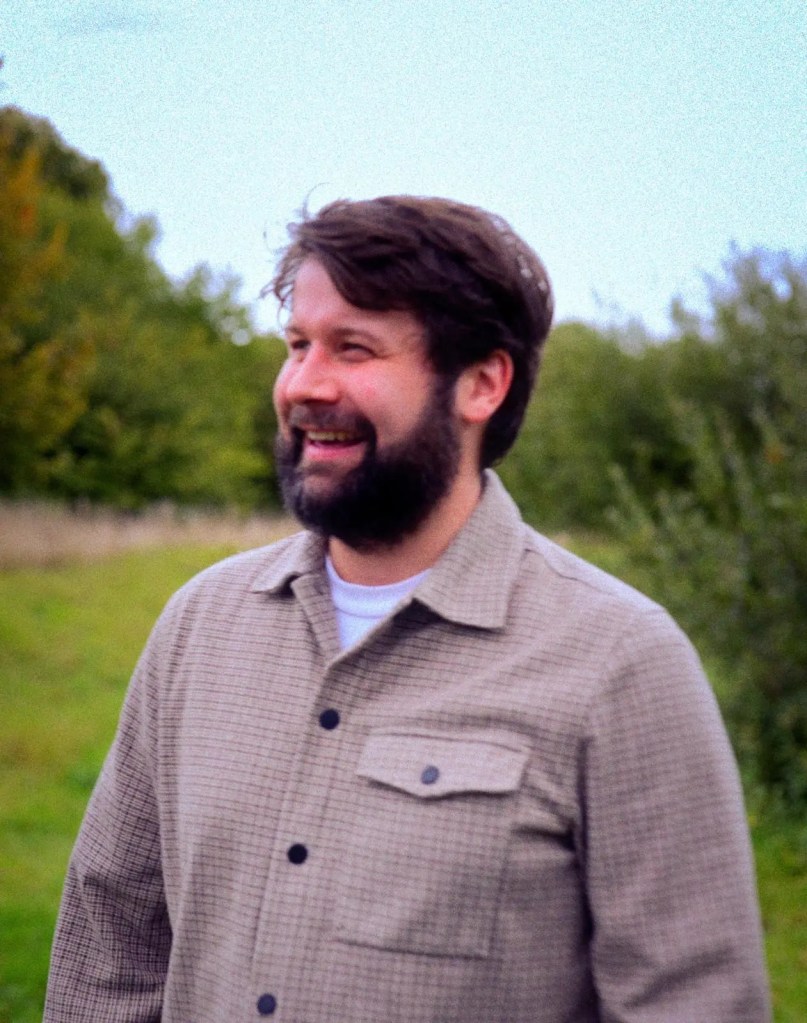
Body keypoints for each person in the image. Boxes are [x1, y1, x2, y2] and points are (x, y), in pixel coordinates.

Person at [45, 196, 771, 1022]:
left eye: (353, 348)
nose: (303, 385)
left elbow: (693, 1004)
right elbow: (110, 946)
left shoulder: (620, 662)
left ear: (481, 383)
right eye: (296, 345)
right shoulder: (198, 625)